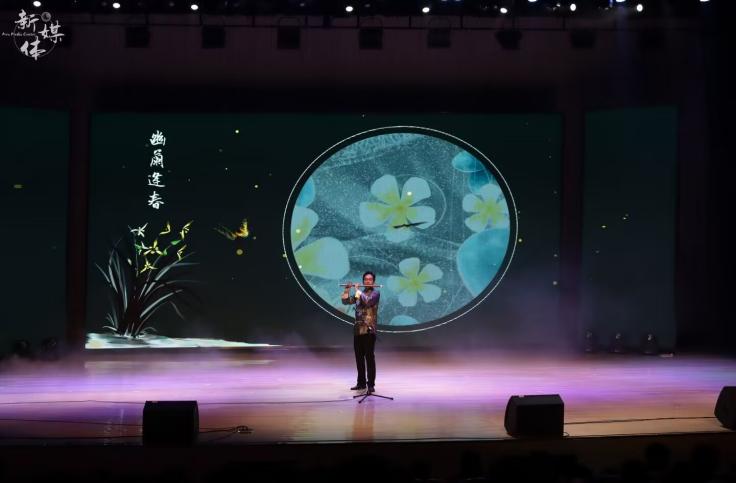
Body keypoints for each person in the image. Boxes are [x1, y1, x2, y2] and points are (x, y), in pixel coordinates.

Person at [341, 271, 380, 393]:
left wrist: (357, 290)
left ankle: (371, 384)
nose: (367, 281)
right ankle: (361, 383)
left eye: (370, 279)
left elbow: (367, 301)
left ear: (373, 281)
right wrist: (347, 290)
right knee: (359, 358)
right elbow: (345, 302)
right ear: (363, 281)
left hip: (369, 330)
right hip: (358, 330)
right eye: (366, 279)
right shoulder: (359, 294)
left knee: (369, 358)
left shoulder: (375, 293)